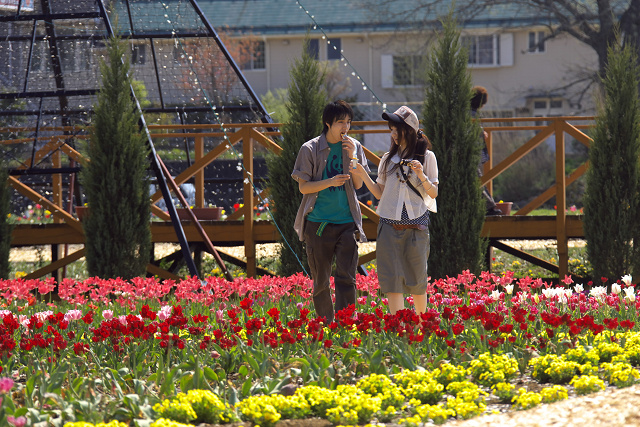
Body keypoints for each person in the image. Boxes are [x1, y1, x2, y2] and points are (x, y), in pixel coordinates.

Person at [352, 106, 438, 315]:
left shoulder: (427, 157)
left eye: (395, 129)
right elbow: (379, 193)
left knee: (417, 279)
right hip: (389, 225)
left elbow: (433, 193)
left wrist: (421, 174)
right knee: (391, 280)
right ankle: (397, 326)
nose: (392, 134)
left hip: (417, 226)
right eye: (391, 129)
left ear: (408, 130)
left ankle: (421, 324)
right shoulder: (387, 160)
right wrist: (363, 173)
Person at [291, 100, 370, 323]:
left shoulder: (354, 146)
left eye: (348, 122)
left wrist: (353, 157)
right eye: (340, 122)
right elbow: (304, 187)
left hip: (347, 221)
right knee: (321, 280)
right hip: (318, 223)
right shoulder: (310, 148)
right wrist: (330, 181)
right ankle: (326, 324)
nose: (345, 127)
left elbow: (357, 185)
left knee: (347, 276)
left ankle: (345, 323)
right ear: (328, 123)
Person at [471, 86, 503, 216]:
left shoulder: (467, 112)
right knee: (476, 180)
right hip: (471, 153)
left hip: (469, 153)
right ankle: (489, 208)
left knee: (477, 179)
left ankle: (489, 207)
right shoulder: (472, 114)